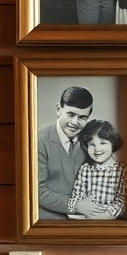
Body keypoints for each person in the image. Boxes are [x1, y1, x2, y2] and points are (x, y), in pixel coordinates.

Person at [37, 85, 94, 220]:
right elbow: (37, 191)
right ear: (59, 109)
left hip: (86, 218)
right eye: (71, 114)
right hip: (47, 220)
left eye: (82, 117)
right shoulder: (39, 140)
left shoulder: (91, 139)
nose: (75, 122)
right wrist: (76, 205)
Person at [66, 119, 127, 220]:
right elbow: (77, 194)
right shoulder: (85, 169)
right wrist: (74, 208)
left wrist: (107, 215)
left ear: (113, 144)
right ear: (86, 147)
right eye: (92, 144)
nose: (97, 149)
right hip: (84, 217)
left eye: (103, 143)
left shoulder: (121, 170)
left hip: (109, 219)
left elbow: (121, 201)